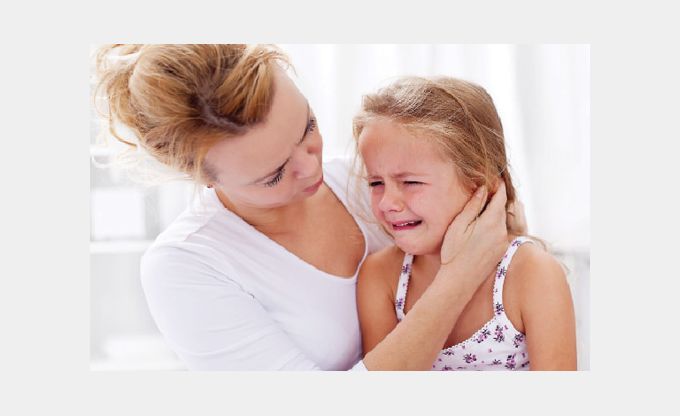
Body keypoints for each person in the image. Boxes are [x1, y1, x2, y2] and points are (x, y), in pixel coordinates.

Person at [94, 44, 515, 370]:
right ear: (204, 177)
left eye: (308, 127)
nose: (312, 166)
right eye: (274, 174)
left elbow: (504, 251)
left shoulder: (371, 184)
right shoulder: (187, 266)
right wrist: (460, 277)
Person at [353, 76, 577, 370]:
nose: (387, 203)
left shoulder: (532, 273)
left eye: (410, 182)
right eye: (375, 183)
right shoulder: (381, 277)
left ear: (478, 183)